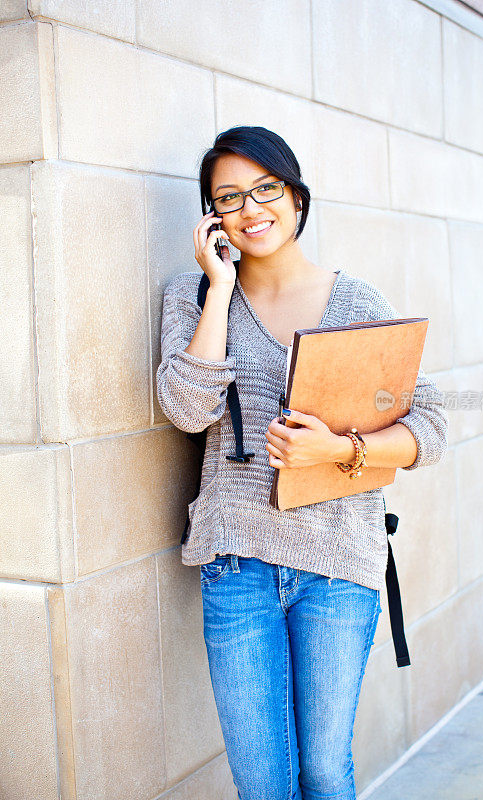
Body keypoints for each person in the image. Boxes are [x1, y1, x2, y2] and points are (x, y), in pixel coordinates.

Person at [156, 125, 448, 800]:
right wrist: (221, 288)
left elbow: (427, 426)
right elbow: (186, 408)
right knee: (263, 783)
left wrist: (339, 449)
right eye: (228, 197)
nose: (251, 208)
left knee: (322, 769)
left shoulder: (355, 303)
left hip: (337, 568)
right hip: (237, 565)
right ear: (211, 216)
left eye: (266, 189)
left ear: (295, 197)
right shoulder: (194, 295)